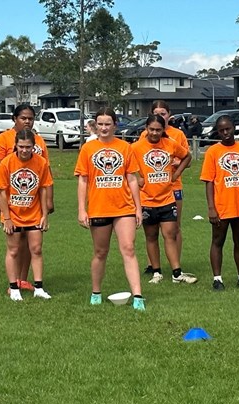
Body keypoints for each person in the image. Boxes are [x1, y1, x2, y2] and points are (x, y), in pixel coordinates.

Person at [75, 107, 145, 311]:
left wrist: (138, 209)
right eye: (100, 124)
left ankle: (138, 296)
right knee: (100, 252)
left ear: (115, 125)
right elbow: (83, 180)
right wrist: (82, 209)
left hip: (124, 207)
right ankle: (96, 292)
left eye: (108, 124)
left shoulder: (125, 148)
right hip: (98, 208)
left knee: (129, 249)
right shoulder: (87, 149)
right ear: (95, 125)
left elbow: (132, 179)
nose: (104, 128)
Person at [0, 104, 53, 291]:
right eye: (23, 118)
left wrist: (49, 200)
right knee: (15, 244)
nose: (27, 121)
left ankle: (23, 279)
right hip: (12, 201)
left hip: (33, 202)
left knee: (31, 243)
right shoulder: (2, 139)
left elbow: (45, 173)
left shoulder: (39, 141)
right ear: (14, 119)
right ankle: (13, 282)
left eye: (30, 118)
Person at [131, 113, 197, 285]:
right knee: (151, 236)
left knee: (170, 235)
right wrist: (137, 178)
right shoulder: (136, 147)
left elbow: (187, 156)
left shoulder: (169, 144)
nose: (154, 133)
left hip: (167, 199)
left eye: (158, 130)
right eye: (151, 129)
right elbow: (125, 167)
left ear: (163, 130)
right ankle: (156, 272)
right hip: (146, 200)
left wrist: (176, 174)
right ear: (146, 129)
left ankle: (176, 272)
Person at [200, 115, 239, 291]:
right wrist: (211, 208)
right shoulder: (213, 152)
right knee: (218, 241)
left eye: (228, 129)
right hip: (222, 206)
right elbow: (209, 181)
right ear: (218, 132)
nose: (225, 133)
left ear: (234, 128)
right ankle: (217, 279)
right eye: (222, 130)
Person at [145, 100, 190, 275]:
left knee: (174, 227)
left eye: (163, 113)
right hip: (151, 189)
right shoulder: (145, 135)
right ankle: (152, 265)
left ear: (169, 115)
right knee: (151, 229)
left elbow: (187, 159)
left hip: (173, 186)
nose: (161, 116)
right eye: (156, 113)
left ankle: (176, 264)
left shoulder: (177, 135)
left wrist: (176, 171)